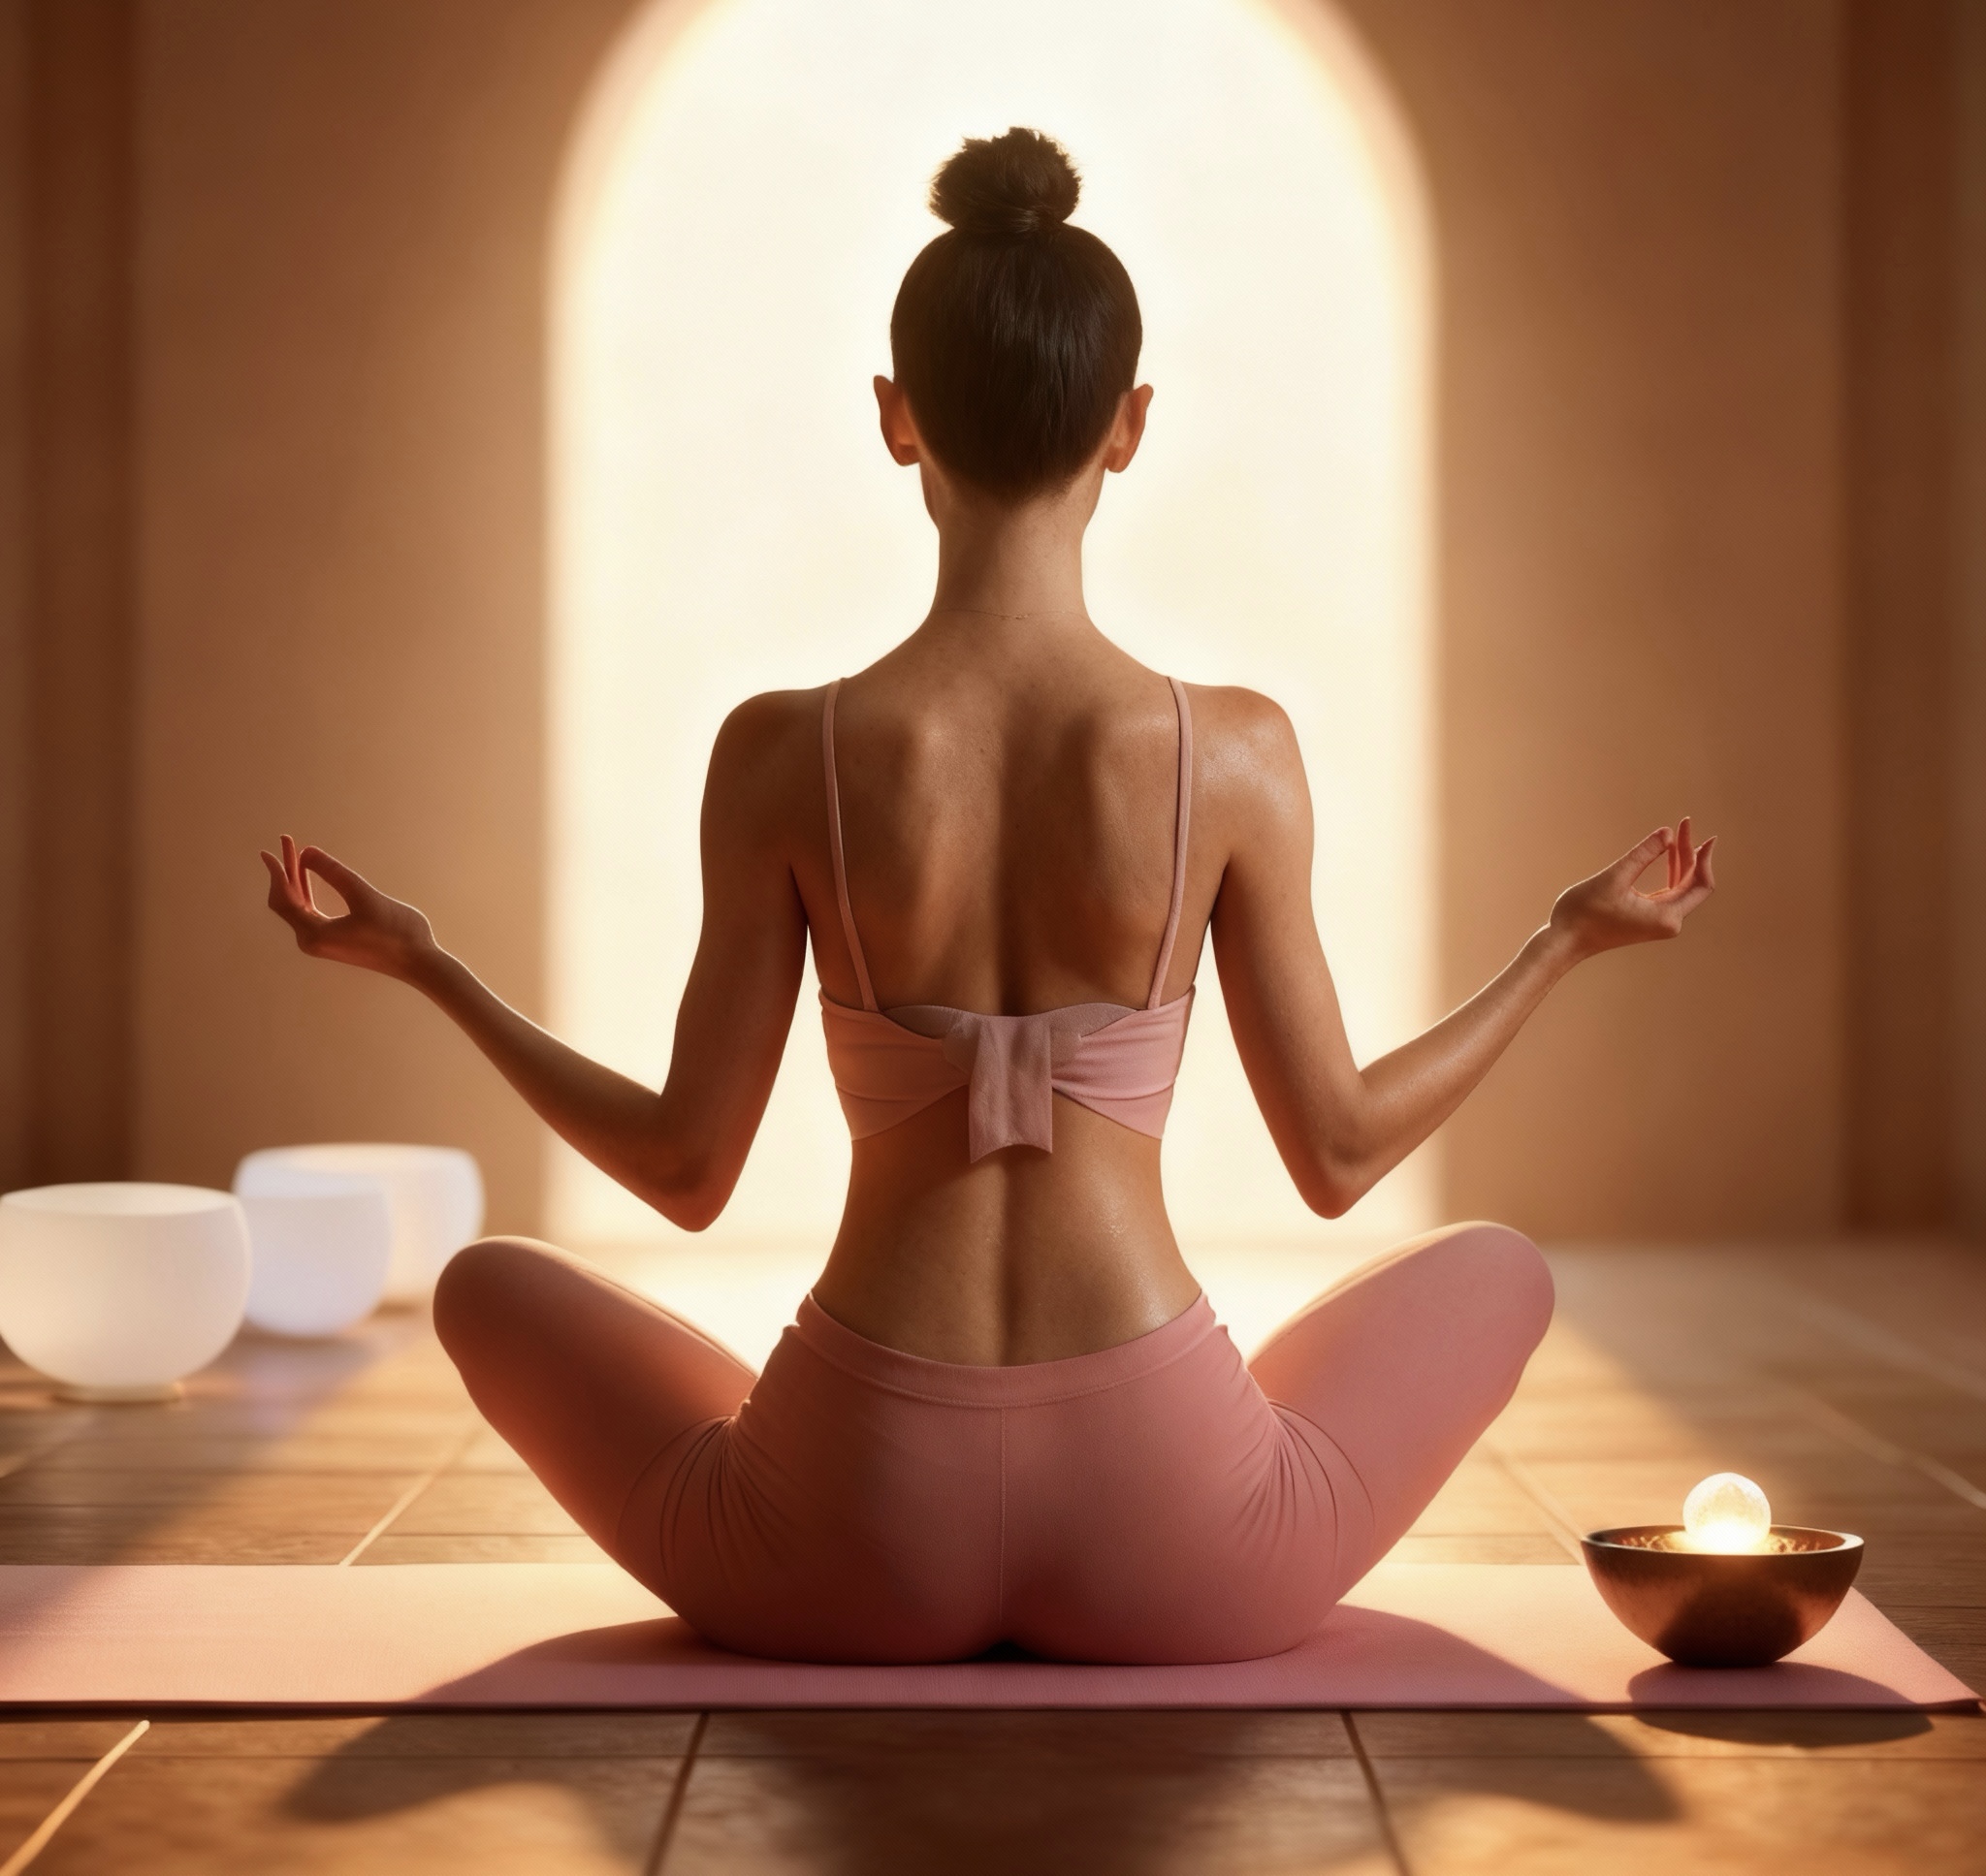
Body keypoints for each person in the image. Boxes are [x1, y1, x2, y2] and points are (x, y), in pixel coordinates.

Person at [262, 127, 1714, 1666]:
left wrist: (431, 966)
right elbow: (1341, 1156)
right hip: (1182, 1545)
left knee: (490, 1289)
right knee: (1498, 1270)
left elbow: (686, 1172)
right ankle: (1163, 1457)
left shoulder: (782, 756)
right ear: (1129, 426)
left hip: (845, 1538)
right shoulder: (1231, 754)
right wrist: (1563, 940)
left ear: (897, 421)